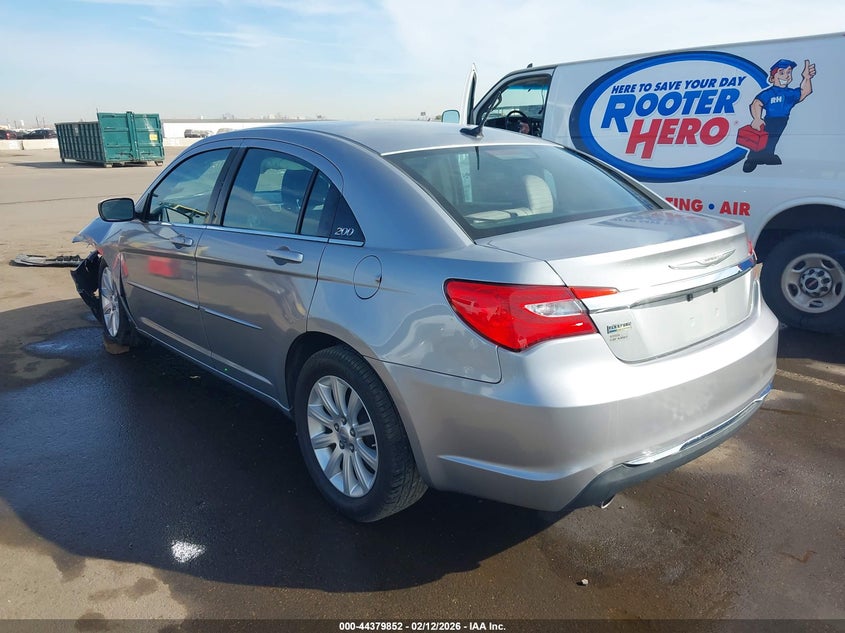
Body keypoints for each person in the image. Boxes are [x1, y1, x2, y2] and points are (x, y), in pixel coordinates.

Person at [742, 58, 815, 173]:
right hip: (769, 120)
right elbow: (756, 103)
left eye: (788, 72)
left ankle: (768, 155)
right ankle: (752, 159)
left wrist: (806, 78)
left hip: (783, 120)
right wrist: (757, 118)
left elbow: (805, 92)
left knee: (773, 139)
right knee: (762, 138)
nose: (786, 76)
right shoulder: (769, 93)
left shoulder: (790, 93)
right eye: (781, 73)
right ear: (772, 78)